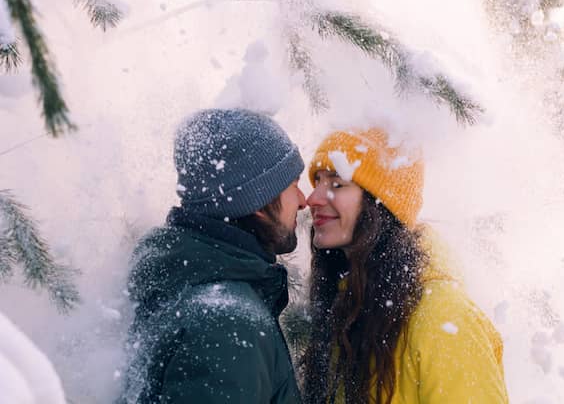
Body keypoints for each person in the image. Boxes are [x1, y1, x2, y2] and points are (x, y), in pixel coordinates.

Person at [301, 128, 508, 403]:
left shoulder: (443, 318)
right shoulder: (347, 308)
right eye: (317, 181)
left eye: (337, 183)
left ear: (380, 205)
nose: (313, 198)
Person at [119, 109, 305, 403]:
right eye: (293, 184)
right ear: (258, 199)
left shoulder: (191, 285)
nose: (304, 200)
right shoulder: (227, 322)